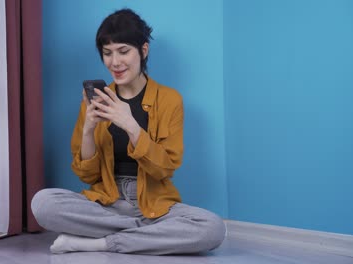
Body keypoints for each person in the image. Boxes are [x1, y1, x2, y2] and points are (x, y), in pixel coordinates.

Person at [31, 8, 226, 255]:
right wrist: (89, 130)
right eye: (107, 53)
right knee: (43, 203)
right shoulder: (97, 101)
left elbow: (165, 168)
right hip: (106, 204)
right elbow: (87, 176)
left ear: (143, 50)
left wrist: (131, 125)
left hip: (154, 205)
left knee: (213, 228)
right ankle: (146, 236)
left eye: (123, 51)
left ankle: (98, 242)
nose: (115, 62)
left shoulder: (169, 100)